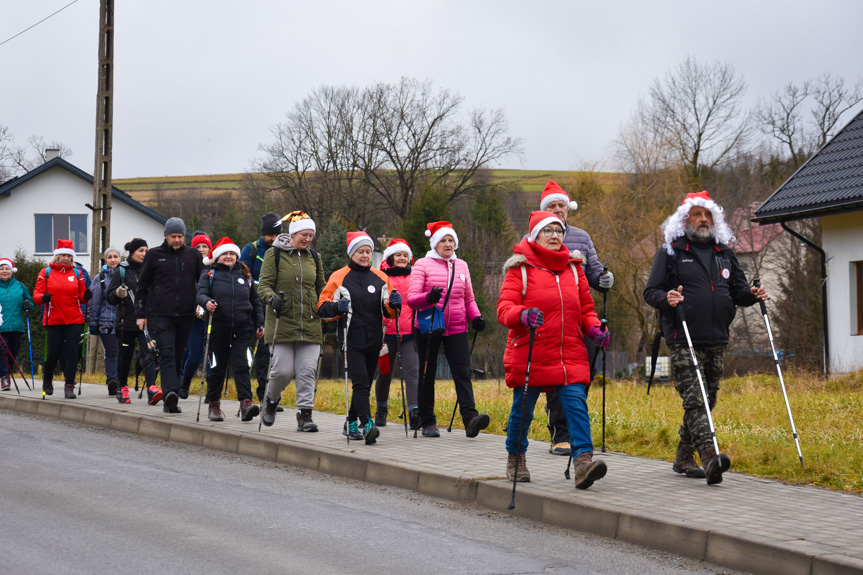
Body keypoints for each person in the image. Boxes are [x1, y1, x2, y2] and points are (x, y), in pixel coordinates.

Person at [643, 190, 767, 485]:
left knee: (706, 399)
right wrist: (667, 298)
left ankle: (683, 457)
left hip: (718, 337)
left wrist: (751, 294)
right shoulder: (671, 252)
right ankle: (710, 457)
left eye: (707, 215)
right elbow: (651, 292)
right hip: (682, 336)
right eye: (696, 214)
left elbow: (737, 291)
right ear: (684, 220)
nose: (702, 220)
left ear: (715, 220)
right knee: (695, 398)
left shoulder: (725, 253)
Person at [498, 212, 611, 488]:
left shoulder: (574, 268)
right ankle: (516, 458)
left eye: (558, 231)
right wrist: (522, 315)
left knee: (576, 406)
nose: (554, 236)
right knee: (522, 411)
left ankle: (583, 462)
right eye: (547, 231)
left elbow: (586, 309)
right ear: (534, 235)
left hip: (568, 353)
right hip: (531, 352)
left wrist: (594, 328)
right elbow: (504, 310)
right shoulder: (520, 269)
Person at [538, 180, 614, 457]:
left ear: (568, 209)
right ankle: (561, 434)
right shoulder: (535, 237)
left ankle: (576, 430)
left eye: (561, 205)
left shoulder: (581, 237)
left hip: (581, 316)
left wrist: (604, 279)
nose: (558, 210)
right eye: (552, 206)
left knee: (582, 376)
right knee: (559, 376)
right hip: (551, 320)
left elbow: (594, 273)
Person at [407, 221, 490, 438]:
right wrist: (428, 297)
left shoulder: (461, 266)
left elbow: (469, 299)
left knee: (462, 373)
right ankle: (428, 422)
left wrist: (476, 317)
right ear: (435, 243)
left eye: (450, 240)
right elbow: (412, 300)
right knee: (427, 374)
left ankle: (470, 419)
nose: (447, 244)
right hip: (428, 326)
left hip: (456, 327)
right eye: (443, 240)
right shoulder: (422, 265)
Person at [318, 231, 399, 444]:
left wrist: (395, 304)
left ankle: (350, 422)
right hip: (351, 339)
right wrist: (337, 307)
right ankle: (367, 424)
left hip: (374, 340)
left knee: (364, 385)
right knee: (361, 383)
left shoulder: (380, 277)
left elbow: (389, 311)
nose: (365, 255)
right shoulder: (339, 277)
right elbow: (322, 308)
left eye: (368, 251)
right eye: (361, 251)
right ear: (352, 253)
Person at [257, 211, 325, 430]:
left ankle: (305, 416)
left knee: (307, 371)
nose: (307, 239)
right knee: (282, 371)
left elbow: (321, 287)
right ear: (293, 233)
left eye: (311, 236)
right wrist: (273, 299)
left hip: (310, 323)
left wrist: (328, 302)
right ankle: (271, 401)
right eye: (304, 234)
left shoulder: (314, 257)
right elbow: (263, 286)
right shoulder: (274, 254)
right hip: (282, 322)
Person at [135, 217, 204, 413]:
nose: (177, 240)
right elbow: (142, 286)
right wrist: (141, 314)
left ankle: (171, 394)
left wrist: (202, 303)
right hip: (160, 314)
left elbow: (203, 282)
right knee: (167, 353)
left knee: (179, 355)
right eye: (173, 236)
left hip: (185, 314)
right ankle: (170, 394)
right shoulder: (154, 255)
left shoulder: (193, 255)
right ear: (166, 236)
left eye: (180, 236)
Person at [196, 237, 264, 421]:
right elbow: (201, 293)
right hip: (218, 327)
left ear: (237, 256)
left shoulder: (245, 276)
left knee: (241, 365)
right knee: (217, 367)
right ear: (217, 257)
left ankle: (246, 403)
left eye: (232, 254)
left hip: (242, 328)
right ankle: (214, 404)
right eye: (224, 254)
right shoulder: (210, 275)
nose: (228, 257)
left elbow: (255, 302)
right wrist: (207, 303)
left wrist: (260, 323)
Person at [32, 239, 92, 399]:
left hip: (74, 319)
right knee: (53, 353)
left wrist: (86, 296)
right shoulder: (46, 273)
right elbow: (36, 296)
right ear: (57, 256)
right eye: (63, 255)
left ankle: (69, 385)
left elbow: (82, 298)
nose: (66, 258)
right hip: (54, 319)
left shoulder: (77, 273)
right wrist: (43, 298)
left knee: (72, 353)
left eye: (68, 255)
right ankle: (48, 379)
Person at [106, 238, 161, 404]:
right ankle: (122, 388)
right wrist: (117, 293)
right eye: (141, 251)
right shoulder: (121, 271)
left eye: (146, 250)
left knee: (150, 354)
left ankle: (152, 389)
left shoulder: (151, 270)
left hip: (147, 322)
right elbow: (110, 297)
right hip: (126, 323)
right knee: (125, 357)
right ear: (133, 253)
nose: (144, 254)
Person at [374, 238, 420, 428]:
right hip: (387, 332)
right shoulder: (381, 277)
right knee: (385, 373)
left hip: (410, 333)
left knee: (412, 372)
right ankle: (382, 408)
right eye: (398, 255)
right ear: (390, 257)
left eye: (405, 255)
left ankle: (414, 412)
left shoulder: (416, 276)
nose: (402, 258)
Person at [240, 212, 283, 405]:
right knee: (247, 353)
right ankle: (245, 395)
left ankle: (265, 396)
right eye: (270, 235)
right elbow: (243, 277)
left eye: (277, 234)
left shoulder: (283, 250)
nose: (274, 239)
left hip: (273, 309)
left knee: (268, 355)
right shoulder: (251, 250)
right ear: (263, 233)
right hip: (251, 307)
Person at [179, 231, 213, 398]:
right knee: (196, 354)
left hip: (214, 315)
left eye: (204, 246)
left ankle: (212, 391)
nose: (201, 249)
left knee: (213, 355)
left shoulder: (215, 266)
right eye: (197, 246)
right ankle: (184, 382)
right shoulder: (187, 266)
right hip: (194, 317)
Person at [87, 247, 122, 395]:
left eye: (115, 257)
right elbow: (94, 302)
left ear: (120, 259)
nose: (113, 260)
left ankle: (121, 381)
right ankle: (112, 380)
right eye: (110, 257)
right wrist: (93, 322)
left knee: (122, 352)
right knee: (112, 351)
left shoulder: (126, 275)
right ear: (106, 259)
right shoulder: (100, 278)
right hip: (105, 321)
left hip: (124, 321)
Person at [0, 258, 34, 391]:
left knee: (13, 352)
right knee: (2, 350)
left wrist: (28, 305)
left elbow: (30, 304)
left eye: (7, 268)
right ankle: (4, 377)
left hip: (16, 325)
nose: (4, 271)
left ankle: (6, 372)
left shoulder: (20, 286)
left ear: (12, 271)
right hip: (1, 325)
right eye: (2, 268)